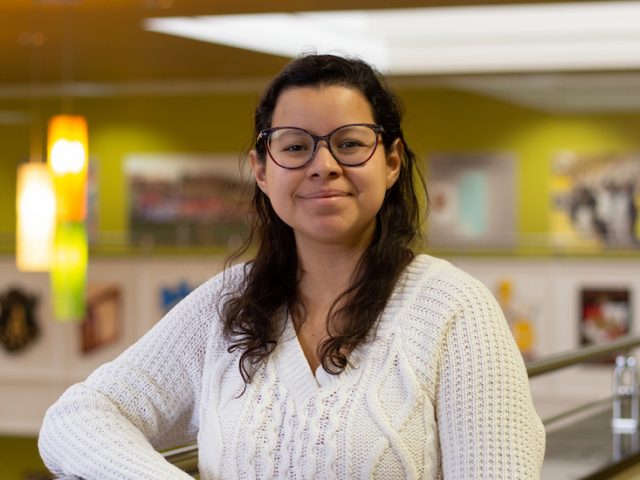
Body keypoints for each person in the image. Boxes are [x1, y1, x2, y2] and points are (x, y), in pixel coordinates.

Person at [39, 54, 545, 479]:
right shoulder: (227, 305)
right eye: (296, 147)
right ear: (261, 170)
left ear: (391, 162)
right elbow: (78, 415)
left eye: (349, 143)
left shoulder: (455, 310)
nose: (323, 165)